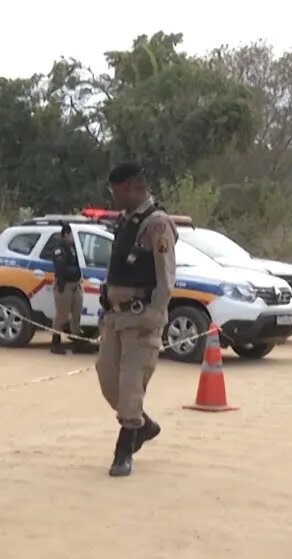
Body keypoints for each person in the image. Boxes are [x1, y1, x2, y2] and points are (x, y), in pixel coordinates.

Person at [96, 162, 177, 477]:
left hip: (141, 317)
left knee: (130, 386)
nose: (114, 197)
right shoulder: (126, 221)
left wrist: (155, 316)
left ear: (131, 187)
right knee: (108, 380)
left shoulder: (157, 224)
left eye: (116, 191)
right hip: (116, 318)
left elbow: (166, 276)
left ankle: (124, 448)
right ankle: (143, 425)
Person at [49, 223, 89, 355]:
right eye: (71, 234)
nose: (73, 237)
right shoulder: (59, 249)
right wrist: (76, 270)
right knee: (62, 315)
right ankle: (55, 343)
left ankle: (77, 343)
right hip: (64, 285)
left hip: (76, 285)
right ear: (66, 234)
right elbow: (61, 268)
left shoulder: (73, 248)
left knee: (76, 315)